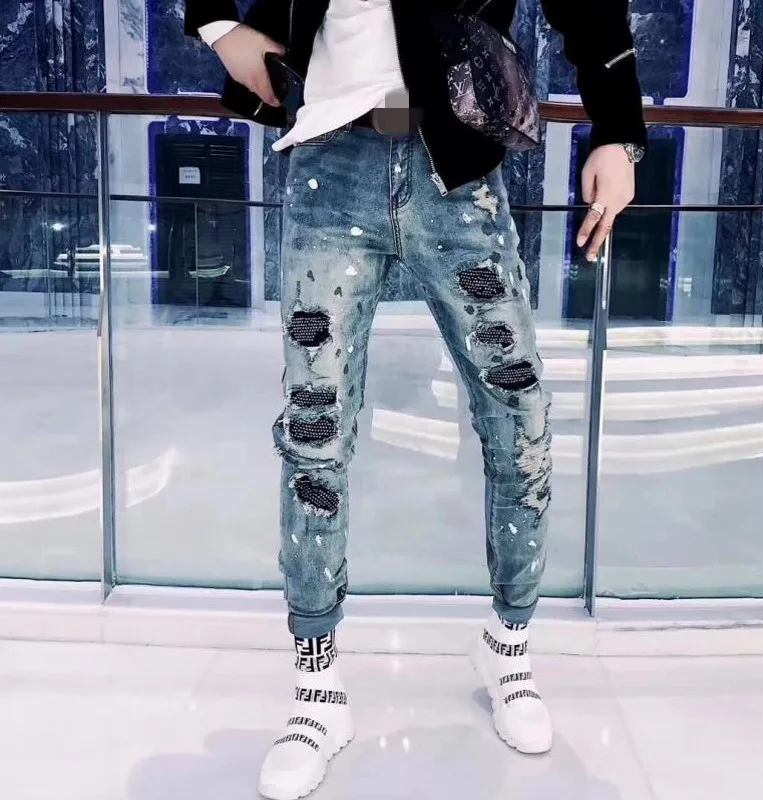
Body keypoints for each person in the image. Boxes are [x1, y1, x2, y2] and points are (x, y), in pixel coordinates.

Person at [184, 1, 646, 798]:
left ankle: (508, 646)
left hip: (454, 169)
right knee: (315, 429)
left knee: (521, 416)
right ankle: (316, 688)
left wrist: (616, 129)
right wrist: (218, 27)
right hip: (331, 163)